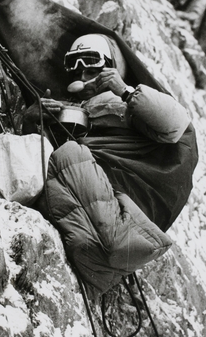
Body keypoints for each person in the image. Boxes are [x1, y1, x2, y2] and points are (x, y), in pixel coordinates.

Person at [23, 34, 194, 293]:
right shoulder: (72, 114)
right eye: (77, 72)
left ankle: (114, 247)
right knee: (59, 166)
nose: (83, 79)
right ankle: (101, 262)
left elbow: (175, 125)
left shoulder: (128, 106)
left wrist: (124, 90)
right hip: (96, 226)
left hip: (122, 210)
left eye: (92, 70)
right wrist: (30, 121)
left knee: (69, 156)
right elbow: (36, 169)